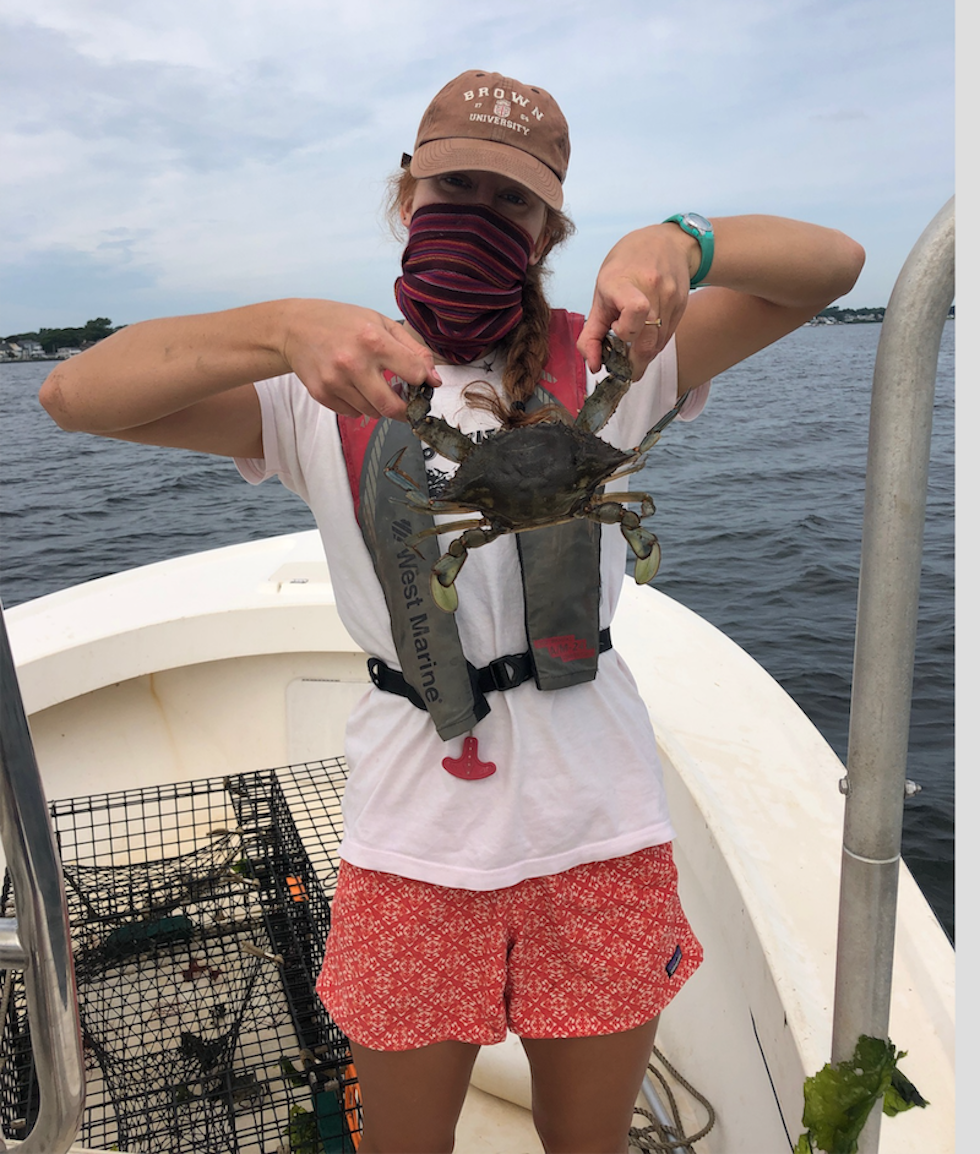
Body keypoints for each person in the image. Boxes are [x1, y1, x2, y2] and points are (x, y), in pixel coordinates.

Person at [40, 68, 865, 1154]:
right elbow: (73, 395)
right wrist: (282, 326)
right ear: (404, 199)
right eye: (452, 188)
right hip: (414, 838)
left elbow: (830, 269)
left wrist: (684, 242)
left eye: (509, 200)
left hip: (597, 822)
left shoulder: (613, 359)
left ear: (546, 229)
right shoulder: (324, 388)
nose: (477, 217)